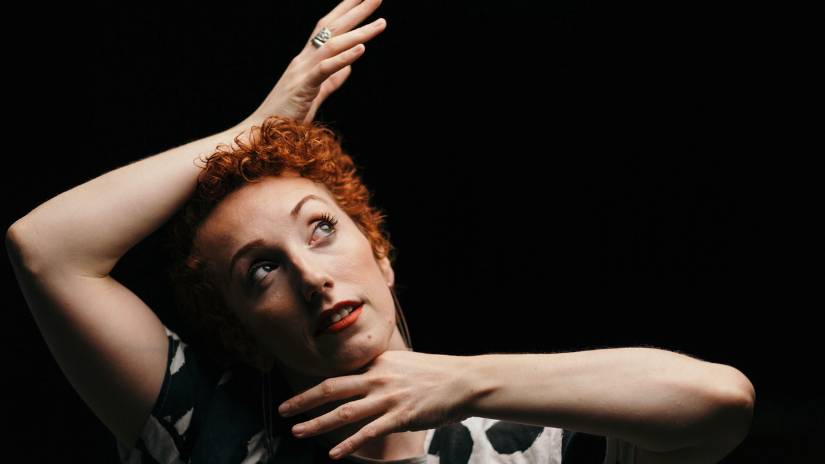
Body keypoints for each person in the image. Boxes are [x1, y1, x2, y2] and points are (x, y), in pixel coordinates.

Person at [5, 1, 755, 463]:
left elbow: (719, 402)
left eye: (320, 230)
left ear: (381, 253)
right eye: (260, 270)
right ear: (238, 331)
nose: (310, 276)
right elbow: (46, 249)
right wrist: (256, 127)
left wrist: (462, 383)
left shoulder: (530, 441)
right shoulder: (208, 432)